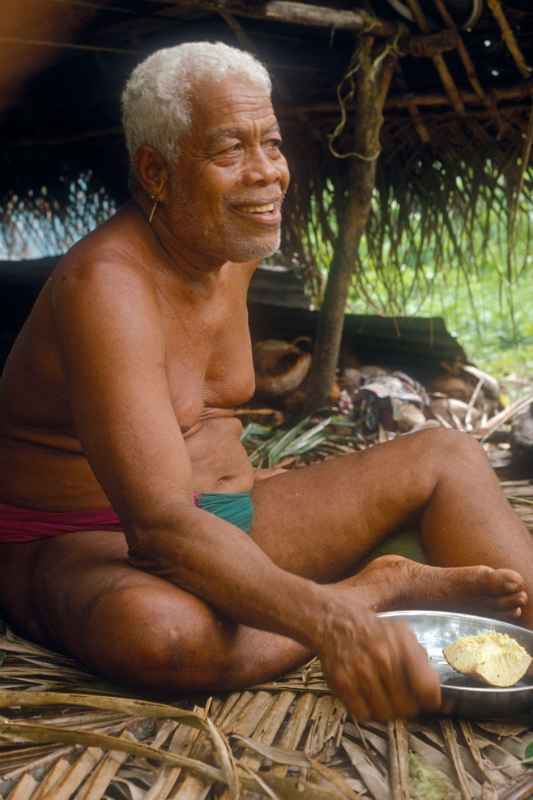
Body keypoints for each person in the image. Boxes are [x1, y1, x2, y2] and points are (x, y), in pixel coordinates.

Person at [0, 42, 531, 723]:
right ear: (156, 172)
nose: (267, 174)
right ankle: (370, 591)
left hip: (233, 517)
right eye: (231, 152)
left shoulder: (229, 245)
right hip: (84, 538)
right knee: (164, 637)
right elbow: (159, 528)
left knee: (445, 456)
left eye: (271, 144)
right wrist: (337, 620)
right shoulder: (106, 286)